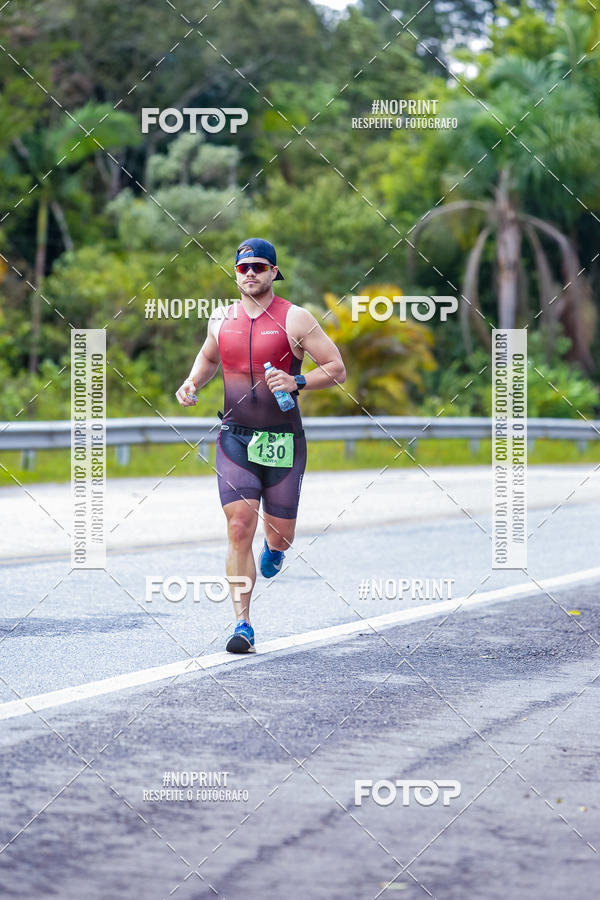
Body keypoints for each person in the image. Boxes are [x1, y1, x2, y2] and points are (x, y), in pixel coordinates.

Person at [176, 238, 346, 653]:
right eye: (242, 268)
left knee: (281, 535)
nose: (249, 273)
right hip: (234, 437)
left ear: (273, 272)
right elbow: (209, 358)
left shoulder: (297, 319)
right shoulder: (221, 319)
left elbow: (337, 368)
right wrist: (192, 381)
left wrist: (297, 380)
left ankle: (275, 549)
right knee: (238, 527)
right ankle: (242, 624)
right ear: (235, 274)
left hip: (283, 441)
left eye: (258, 266)